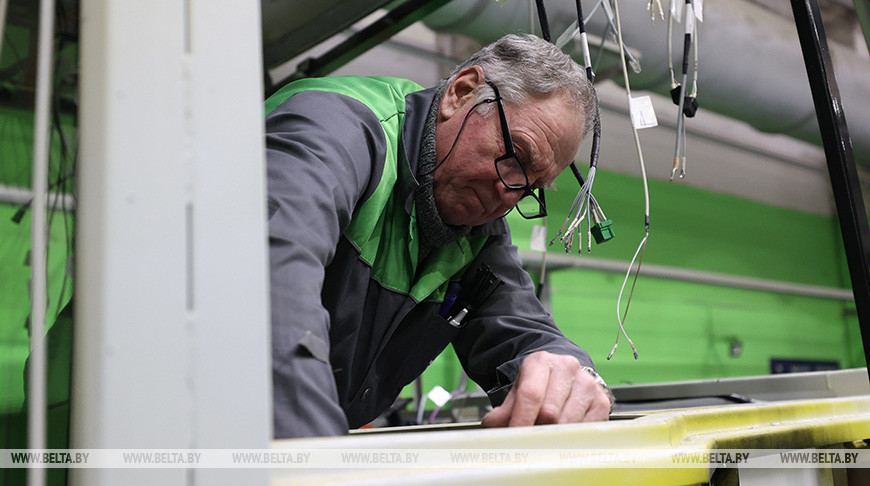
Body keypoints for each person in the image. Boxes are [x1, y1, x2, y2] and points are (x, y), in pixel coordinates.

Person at [266, 33, 613, 439]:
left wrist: (573, 379)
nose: (509, 193)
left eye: (532, 187)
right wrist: (318, 462)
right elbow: (267, 293)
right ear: (461, 92)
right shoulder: (333, 132)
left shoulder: (474, 231)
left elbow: (525, 328)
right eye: (516, 155)